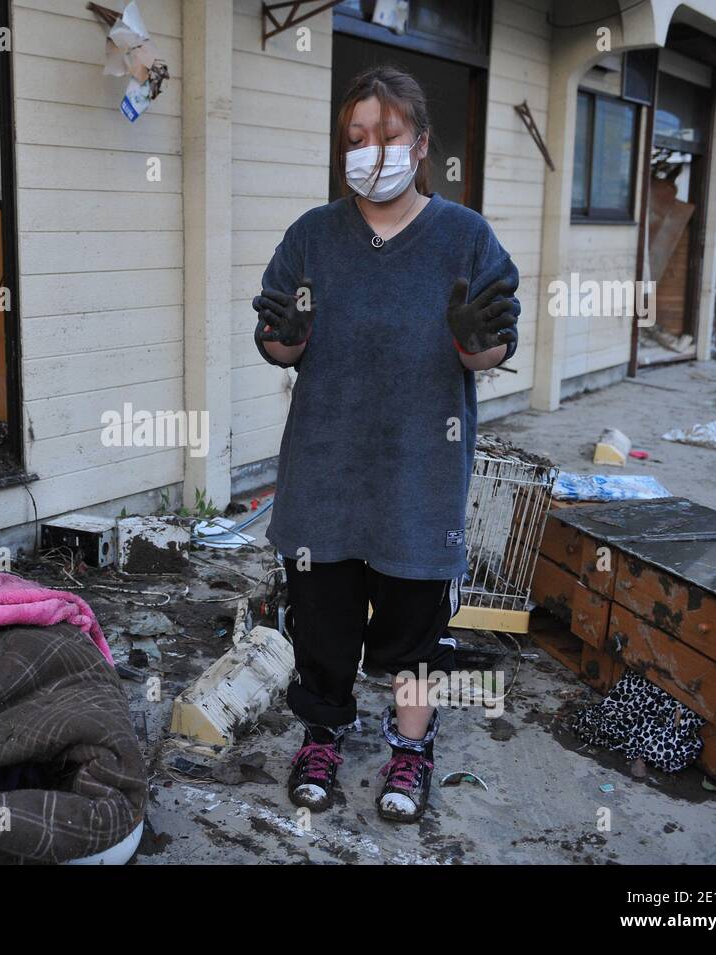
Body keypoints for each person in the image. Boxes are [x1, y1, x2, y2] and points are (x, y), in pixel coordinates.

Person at [252, 65, 519, 823]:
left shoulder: (465, 237)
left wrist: (476, 344)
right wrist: (283, 339)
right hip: (324, 474)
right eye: (357, 138)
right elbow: (277, 342)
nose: (372, 152)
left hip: (419, 476)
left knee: (413, 633)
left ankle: (412, 749)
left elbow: (491, 347)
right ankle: (322, 735)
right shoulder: (312, 235)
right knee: (323, 625)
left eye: (389, 136)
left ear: (421, 143)